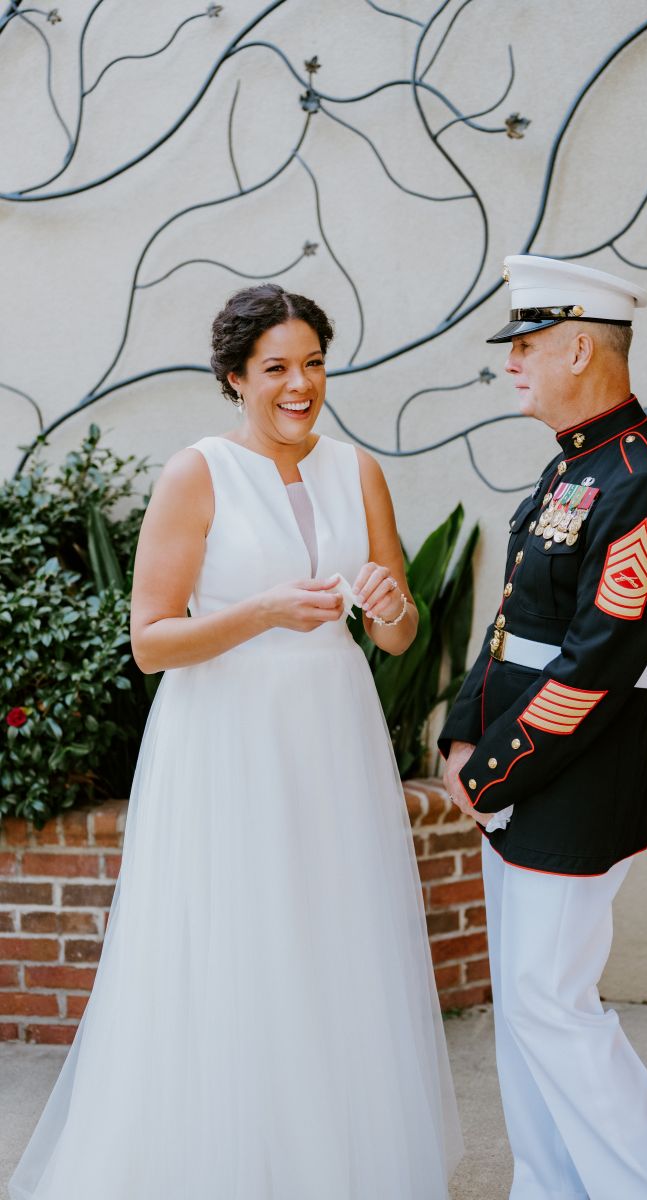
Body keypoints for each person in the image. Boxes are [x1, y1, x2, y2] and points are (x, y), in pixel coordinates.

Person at [10, 283, 462, 1200]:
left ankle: (325, 1167)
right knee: (235, 941)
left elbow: (401, 632)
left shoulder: (358, 469)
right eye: (277, 369)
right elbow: (149, 641)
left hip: (330, 734)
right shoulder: (198, 472)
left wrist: (391, 607)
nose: (301, 385)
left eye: (314, 364)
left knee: (331, 937)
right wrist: (259, 612)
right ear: (234, 376)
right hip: (225, 742)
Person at [440, 255, 647, 1200]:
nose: (511, 362)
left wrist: (493, 772)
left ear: (581, 348)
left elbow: (596, 667)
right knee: (526, 1008)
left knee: (549, 1003)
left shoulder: (642, 482)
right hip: (522, 771)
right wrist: (460, 732)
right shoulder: (577, 468)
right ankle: (551, 1186)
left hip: (570, 776)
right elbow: (516, 622)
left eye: (526, 345)